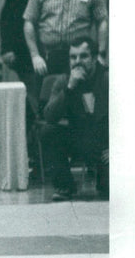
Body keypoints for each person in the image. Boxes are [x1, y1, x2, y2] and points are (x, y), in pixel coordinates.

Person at [40, 37, 108, 201]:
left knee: (112, 190)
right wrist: (70, 88)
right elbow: (49, 116)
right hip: (78, 137)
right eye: (73, 57)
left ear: (93, 58)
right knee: (48, 132)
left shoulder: (108, 79)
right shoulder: (64, 81)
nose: (77, 61)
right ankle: (65, 187)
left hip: (104, 143)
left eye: (83, 56)